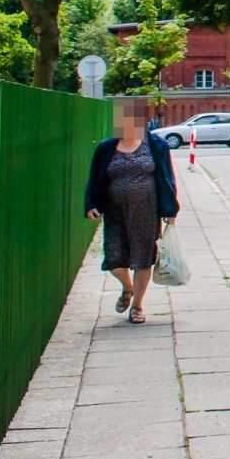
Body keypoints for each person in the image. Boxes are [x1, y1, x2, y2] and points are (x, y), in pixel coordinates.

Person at [85, 100, 180, 324]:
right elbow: (94, 178)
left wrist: (171, 209)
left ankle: (137, 306)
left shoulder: (155, 145)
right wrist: (90, 204)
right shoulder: (106, 147)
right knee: (114, 258)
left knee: (143, 259)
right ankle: (127, 288)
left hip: (147, 212)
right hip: (115, 212)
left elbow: (168, 177)